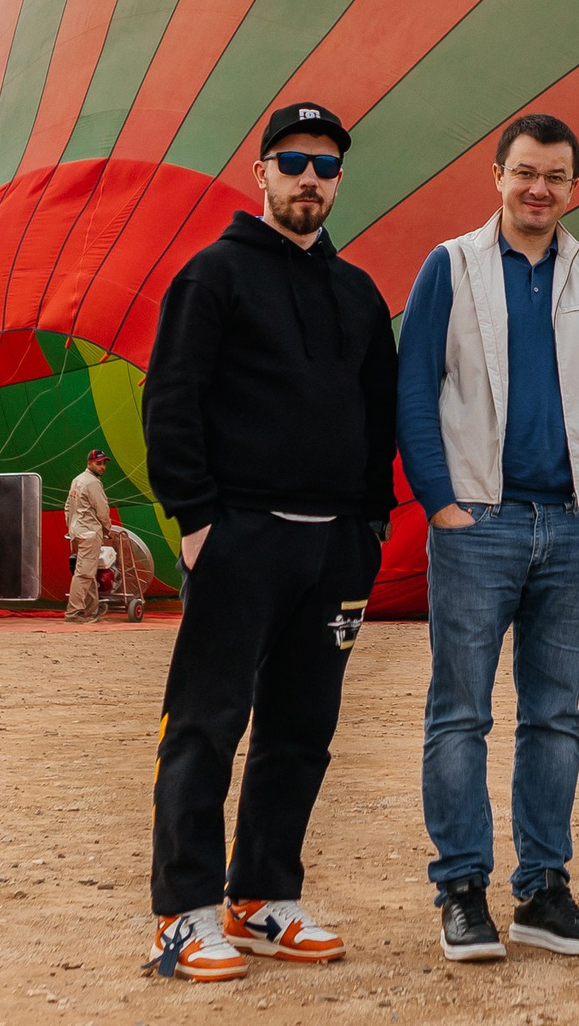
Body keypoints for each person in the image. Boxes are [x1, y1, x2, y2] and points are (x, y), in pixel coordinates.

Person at [141, 102, 399, 984]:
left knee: (302, 728)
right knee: (206, 724)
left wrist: (370, 524)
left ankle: (260, 896)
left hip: (335, 546)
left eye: (325, 166)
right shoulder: (211, 276)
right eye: (292, 162)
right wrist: (198, 520)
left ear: (338, 180)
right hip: (242, 537)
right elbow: (171, 400)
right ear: (261, 172)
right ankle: (182, 914)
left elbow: (379, 412)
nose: (309, 179)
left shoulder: (357, 292)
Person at [398, 113, 579, 963]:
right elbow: (415, 386)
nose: (540, 189)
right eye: (526, 172)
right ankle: (462, 888)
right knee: (460, 710)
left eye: (556, 176)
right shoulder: (451, 265)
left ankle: (543, 889)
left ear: (574, 185)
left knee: (555, 715)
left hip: (571, 526)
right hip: (479, 522)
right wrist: (440, 501)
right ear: (497, 174)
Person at [62, 449, 113, 622]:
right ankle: (73, 613)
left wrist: (71, 526)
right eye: (99, 463)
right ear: (89, 463)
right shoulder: (93, 483)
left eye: (104, 463)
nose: (102, 467)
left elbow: (67, 506)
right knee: (84, 574)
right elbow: (102, 509)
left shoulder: (77, 480)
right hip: (89, 533)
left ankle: (91, 610)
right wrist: (107, 529)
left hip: (78, 531)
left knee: (88, 572)